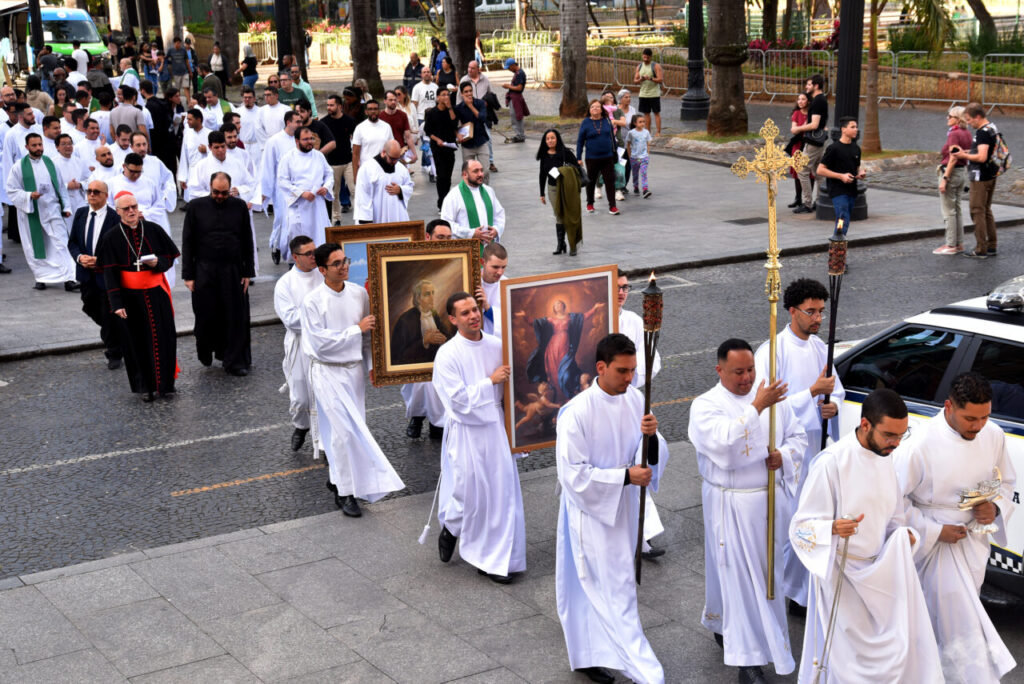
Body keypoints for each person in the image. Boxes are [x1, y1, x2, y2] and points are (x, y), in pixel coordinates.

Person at [789, 389, 942, 683]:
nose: (896, 443)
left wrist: (905, 535)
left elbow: (895, 517)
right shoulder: (831, 463)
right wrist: (832, 527)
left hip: (880, 573)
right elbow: (800, 527)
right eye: (889, 435)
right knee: (845, 659)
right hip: (840, 574)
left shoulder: (885, 457)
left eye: (901, 435)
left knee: (895, 650)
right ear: (865, 425)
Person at [688, 338, 805, 683]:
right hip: (731, 502)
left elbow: (797, 437)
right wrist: (756, 407)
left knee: (768, 576)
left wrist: (782, 455)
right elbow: (724, 445)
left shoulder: (772, 399)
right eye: (738, 371)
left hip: (768, 499)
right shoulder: (706, 405)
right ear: (719, 370)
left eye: (751, 369)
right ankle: (748, 662)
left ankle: (725, 623)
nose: (746, 377)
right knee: (741, 578)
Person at [555, 333, 668, 684]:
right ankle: (644, 670)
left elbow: (650, 454)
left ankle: (592, 653)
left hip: (625, 507)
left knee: (611, 587)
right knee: (610, 589)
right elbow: (573, 474)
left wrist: (652, 437)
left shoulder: (635, 399)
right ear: (601, 367)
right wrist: (624, 476)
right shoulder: (576, 413)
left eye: (633, 370)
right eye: (622, 371)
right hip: (593, 513)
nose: (630, 378)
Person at [894, 373, 1017, 682]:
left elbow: (1003, 482)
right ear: (949, 406)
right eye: (970, 418)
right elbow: (893, 499)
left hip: (972, 543)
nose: (978, 426)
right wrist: (935, 531)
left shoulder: (993, 434)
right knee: (950, 625)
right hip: (931, 545)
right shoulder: (920, 444)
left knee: (962, 617)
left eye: (985, 417)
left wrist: (993, 506)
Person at [754, 278, 845, 609]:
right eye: (811, 311)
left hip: (817, 447)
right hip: (789, 450)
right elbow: (766, 404)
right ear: (792, 311)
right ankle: (787, 587)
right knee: (791, 521)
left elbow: (836, 389)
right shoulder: (773, 352)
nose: (818, 318)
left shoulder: (821, 348)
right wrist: (811, 394)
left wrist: (832, 405)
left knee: (815, 519)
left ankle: (803, 591)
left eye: (822, 311)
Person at [301, 242, 406, 517]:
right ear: (323, 269)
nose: (344, 266)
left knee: (356, 428)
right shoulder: (312, 302)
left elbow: (370, 336)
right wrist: (354, 330)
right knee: (341, 433)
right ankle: (345, 493)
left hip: (353, 371)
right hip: (327, 371)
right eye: (336, 263)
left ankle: (339, 480)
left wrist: (374, 366)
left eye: (345, 260)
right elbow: (320, 344)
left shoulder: (359, 294)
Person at [431, 291, 527, 584]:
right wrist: (489, 382)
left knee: (500, 495)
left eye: (475, 309)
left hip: (495, 428)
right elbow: (456, 400)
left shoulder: (498, 346)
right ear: (452, 319)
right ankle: (452, 526)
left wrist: (522, 431)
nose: (473, 316)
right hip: (467, 432)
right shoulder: (447, 355)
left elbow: (515, 390)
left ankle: (493, 560)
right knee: (468, 493)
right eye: (464, 313)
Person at [95, 191, 180, 402]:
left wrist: (157, 263)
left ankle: (166, 385)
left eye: (134, 206)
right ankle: (145, 388)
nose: (132, 211)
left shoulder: (152, 229)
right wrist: (116, 303)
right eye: (127, 209)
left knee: (164, 337)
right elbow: (109, 273)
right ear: (118, 212)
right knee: (136, 343)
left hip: (156, 293)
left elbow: (169, 258)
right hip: (129, 297)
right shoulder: (112, 237)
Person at [181, 172, 254, 376]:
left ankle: (234, 361)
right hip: (204, 269)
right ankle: (206, 347)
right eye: (216, 192)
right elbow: (188, 241)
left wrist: (248, 271)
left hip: (233, 270)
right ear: (210, 188)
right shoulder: (196, 207)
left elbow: (247, 239)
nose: (220, 197)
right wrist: (188, 275)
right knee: (206, 315)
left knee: (235, 316)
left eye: (224, 193)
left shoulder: (239, 207)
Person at [615, 273, 666, 559]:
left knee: (642, 460)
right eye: (617, 287)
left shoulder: (635, 321)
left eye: (625, 287)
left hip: (631, 400)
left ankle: (642, 535)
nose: (622, 292)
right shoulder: (593, 317)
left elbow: (652, 360)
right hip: (602, 401)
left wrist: (630, 379)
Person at [401, 218, 452, 440]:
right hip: (416, 352)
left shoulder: (457, 260)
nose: (445, 242)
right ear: (428, 237)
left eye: (449, 238)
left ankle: (438, 421)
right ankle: (416, 416)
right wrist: (422, 340)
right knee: (418, 385)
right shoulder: (413, 261)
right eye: (441, 238)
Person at [5, 132, 77, 291]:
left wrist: (66, 207)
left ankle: (69, 279)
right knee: (36, 248)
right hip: (31, 213)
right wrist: (29, 195)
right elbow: (11, 190)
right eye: (34, 145)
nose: (38, 148)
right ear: (26, 147)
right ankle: (41, 278)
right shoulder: (18, 167)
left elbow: (60, 187)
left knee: (61, 244)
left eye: (40, 145)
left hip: (52, 211)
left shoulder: (50, 163)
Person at [273, 235, 324, 451]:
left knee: (323, 394)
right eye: (308, 254)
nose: (314, 257)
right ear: (295, 257)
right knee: (302, 397)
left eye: (315, 252)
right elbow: (292, 321)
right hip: (300, 344)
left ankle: (323, 443)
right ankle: (301, 426)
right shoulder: (285, 284)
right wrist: (318, 314)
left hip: (324, 343)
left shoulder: (324, 275)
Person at [68, 180, 121, 367]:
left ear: (106, 195)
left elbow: (119, 250)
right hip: (85, 275)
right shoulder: (81, 214)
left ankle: (114, 352)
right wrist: (80, 257)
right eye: (89, 191)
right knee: (90, 307)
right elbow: (72, 242)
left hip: (105, 277)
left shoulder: (114, 218)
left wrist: (100, 261)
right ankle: (117, 334)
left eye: (96, 192)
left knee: (108, 314)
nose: (91, 195)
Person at [277, 125, 333, 260]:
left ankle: (319, 261)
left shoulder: (319, 156)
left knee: (319, 234)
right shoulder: (288, 158)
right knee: (297, 235)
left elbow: (329, 174)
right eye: (305, 139)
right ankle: (297, 263)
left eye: (311, 139)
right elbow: (282, 181)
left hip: (317, 203)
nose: (310, 142)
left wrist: (325, 187)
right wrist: (301, 193)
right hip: (299, 205)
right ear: (297, 141)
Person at [952, 102, 999, 258]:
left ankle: (981, 248)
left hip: (980, 177)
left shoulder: (982, 132)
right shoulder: (992, 128)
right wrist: (967, 151)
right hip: (991, 174)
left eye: (969, 119)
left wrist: (963, 156)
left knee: (977, 210)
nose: (968, 123)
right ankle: (992, 245)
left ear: (977, 117)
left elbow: (982, 156)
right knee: (986, 210)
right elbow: (982, 150)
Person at [260, 110, 302, 263]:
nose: (300, 125)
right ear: (288, 122)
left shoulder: (300, 140)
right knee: (281, 219)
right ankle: (276, 246)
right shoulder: (274, 141)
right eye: (297, 122)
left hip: (299, 188)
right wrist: (266, 191)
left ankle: (294, 249)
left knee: (295, 220)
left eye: (301, 122)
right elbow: (268, 167)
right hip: (281, 189)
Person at [816, 116, 864, 237]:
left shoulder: (856, 149)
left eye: (856, 127)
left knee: (845, 218)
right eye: (852, 127)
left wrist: (859, 174)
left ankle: (840, 241)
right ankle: (838, 241)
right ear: (843, 129)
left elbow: (855, 168)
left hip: (852, 190)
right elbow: (820, 170)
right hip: (837, 190)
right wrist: (841, 176)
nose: (856, 130)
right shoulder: (833, 149)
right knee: (842, 215)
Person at [537, 128, 582, 256]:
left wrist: (564, 171)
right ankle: (561, 244)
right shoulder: (544, 155)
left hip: (567, 188)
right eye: (547, 139)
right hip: (552, 188)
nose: (550, 140)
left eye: (552, 138)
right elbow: (542, 174)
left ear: (557, 139)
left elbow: (577, 168)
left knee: (570, 215)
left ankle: (573, 245)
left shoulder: (565, 152)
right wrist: (542, 193)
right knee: (559, 215)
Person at [934, 106, 972, 255]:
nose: (947, 118)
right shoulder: (967, 133)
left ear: (957, 118)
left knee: (948, 210)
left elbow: (953, 158)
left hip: (952, 172)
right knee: (957, 209)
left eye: (949, 116)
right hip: (962, 173)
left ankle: (950, 245)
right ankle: (959, 242)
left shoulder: (954, 134)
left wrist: (945, 178)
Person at [441, 159, 505, 241]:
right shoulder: (454, 196)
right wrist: (471, 233)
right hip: (466, 248)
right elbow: (446, 224)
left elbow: (499, 214)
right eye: (476, 171)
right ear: (464, 174)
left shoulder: (488, 191)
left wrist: (496, 230)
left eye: (481, 170)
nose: (481, 174)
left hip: (489, 248)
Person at [353, 139, 413, 224]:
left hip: (397, 216)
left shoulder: (401, 168)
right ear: (384, 152)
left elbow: (409, 186)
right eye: (392, 159)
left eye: (397, 159)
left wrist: (400, 190)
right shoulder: (368, 168)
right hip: (376, 217)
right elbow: (363, 195)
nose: (395, 162)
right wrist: (366, 220)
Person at [792, 74, 828, 214]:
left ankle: (807, 203)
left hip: (813, 141)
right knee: (818, 172)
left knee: (802, 170)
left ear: (816, 86)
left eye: (808, 85)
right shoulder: (818, 100)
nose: (806, 87)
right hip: (816, 141)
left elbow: (814, 124)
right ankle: (819, 201)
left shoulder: (818, 101)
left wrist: (798, 128)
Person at [576, 99, 619, 216]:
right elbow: (580, 141)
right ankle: (590, 203)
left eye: (597, 107)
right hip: (592, 158)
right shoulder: (585, 122)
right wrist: (578, 157)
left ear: (601, 109)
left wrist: (615, 153)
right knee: (591, 181)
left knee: (610, 181)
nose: (595, 109)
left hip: (607, 157)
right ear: (589, 110)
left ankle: (613, 206)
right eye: (592, 107)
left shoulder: (607, 121)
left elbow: (612, 138)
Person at [321, 93, 357, 223]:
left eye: (331, 105)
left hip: (348, 162)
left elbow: (356, 139)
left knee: (355, 191)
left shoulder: (349, 121)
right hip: (332, 164)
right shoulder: (323, 123)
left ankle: (359, 218)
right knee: (334, 193)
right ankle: (336, 219)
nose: (329, 107)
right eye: (327, 105)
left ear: (339, 106)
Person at [459, 60, 497, 173]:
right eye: (469, 68)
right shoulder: (464, 80)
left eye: (472, 68)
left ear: (478, 69)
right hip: (466, 114)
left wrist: (487, 102)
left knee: (487, 137)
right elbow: (458, 98)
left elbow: (491, 93)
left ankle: (490, 161)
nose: (470, 70)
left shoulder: (485, 79)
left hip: (480, 109)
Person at [424, 88, 459, 210]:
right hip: (438, 148)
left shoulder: (451, 110)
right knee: (441, 175)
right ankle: (441, 203)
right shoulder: (432, 112)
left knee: (448, 177)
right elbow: (428, 130)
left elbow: (455, 124)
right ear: (438, 97)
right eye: (443, 95)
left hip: (449, 147)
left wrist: (450, 108)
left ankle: (446, 201)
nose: (446, 97)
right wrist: (437, 139)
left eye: (447, 95)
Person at [51, 133, 90, 233]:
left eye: (69, 143)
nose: (68, 146)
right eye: (63, 144)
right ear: (57, 147)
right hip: (64, 202)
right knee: (66, 231)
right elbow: (51, 184)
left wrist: (80, 184)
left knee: (82, 229)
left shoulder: (79, 161)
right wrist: (67, 185)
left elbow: (90, 179)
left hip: (80, 200)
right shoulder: (52, 164)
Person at [351, 99, 394, 183]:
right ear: (366, 112)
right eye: (370, 109)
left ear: (379, 111)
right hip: (366, 171)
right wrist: (355, 176)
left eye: (375, 109)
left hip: (383, 171)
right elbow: (355, 154)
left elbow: (391, 149)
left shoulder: (386, 127)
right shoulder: (360, 128)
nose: (373, 111)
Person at [455, 82, 489, 183]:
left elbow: (483, 118)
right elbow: (453, 124)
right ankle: (470, 193)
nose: (469, 93)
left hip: (481, 141)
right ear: (461, 94)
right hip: (467, 144)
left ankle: (485, 191)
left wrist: (470, 106)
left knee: (485, 170)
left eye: (470, 91)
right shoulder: (459, 108)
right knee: (468, 172)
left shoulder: (480, 103)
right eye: (466, 92)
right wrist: (457, 135)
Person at [411, 66, 438, 180]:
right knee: (427, 142)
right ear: (421, 75)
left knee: (430, 142)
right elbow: (414, 104)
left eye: (428, 72)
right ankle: (428, 165)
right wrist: (414, 119)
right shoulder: (417, 87)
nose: (426, 74)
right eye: (424, 72)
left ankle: (424, 164)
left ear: (431, 74)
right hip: (422, 117)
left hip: (434, 118)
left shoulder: (435, 86)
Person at [785, 92, 811, 208]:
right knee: (797, 172)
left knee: (809, 173)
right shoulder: (796, 113)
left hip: (809, 144)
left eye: (803, 99)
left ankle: (808, 199)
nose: (800, 101)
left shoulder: (812, 114)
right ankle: (798, 198)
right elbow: (793, 130)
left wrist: (800, 128)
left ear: (808, 101)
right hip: (797, 144)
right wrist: (804, 127)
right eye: (799, 99)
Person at [177, 109, 210, 198]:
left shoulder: (209, 134)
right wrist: (183, 177)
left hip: (206, 172)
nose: (187, 122)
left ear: (198, 120)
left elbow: (218, 152)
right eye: (187, 119)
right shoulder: (187, 135)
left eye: (190, 119)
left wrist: (207, 150)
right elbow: (184, 156)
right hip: (192, 172)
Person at [634, 48, 663, 136]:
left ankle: (658, 132)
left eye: (647, 57)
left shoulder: (655, 66)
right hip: (643, 94)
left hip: (654, 94)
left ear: (650, 57)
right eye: (644, 57)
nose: (645, 59)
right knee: (646, 114)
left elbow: (660, 79)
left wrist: (650, 78)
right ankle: (648, 131)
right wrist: (641, 79)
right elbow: (635, 81)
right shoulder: (639, 66)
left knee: (656, 113)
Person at [625, 114, 653, 199]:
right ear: (635, 123)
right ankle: (635, 187)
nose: (642, 123)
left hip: (644, 157)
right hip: (634, 157)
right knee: (635, 174)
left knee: (644, 173)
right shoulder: (631, 133)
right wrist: (630, 155)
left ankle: (645, 189)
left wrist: (647, 153)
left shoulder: (646, 132)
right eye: (640, 122)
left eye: (643, 121)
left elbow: (648, 143)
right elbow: (628, 144)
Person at [502, 57, 528, 143]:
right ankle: (519, 134)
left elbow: (519, 88)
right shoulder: (517, 73)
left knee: (517, 116)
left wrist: (508, 86)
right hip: (513, 97)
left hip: (516, 97)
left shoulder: (520, 73)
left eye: (509, 67)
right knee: (514, 116)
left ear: (513, 65)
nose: (509, 69)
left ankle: (520, 135)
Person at [166, 37, 192, 102]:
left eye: (179, 43)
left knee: (186, 87)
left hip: (184, 72)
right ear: (174, 43)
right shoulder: (170, 50)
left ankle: (189, 102)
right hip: (176, 73)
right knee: (177, 89)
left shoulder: (183, 50)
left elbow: (187, 61)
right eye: (177, 43)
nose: (179, 45)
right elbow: (166, 58)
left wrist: (190, 71)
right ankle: (178, 102)